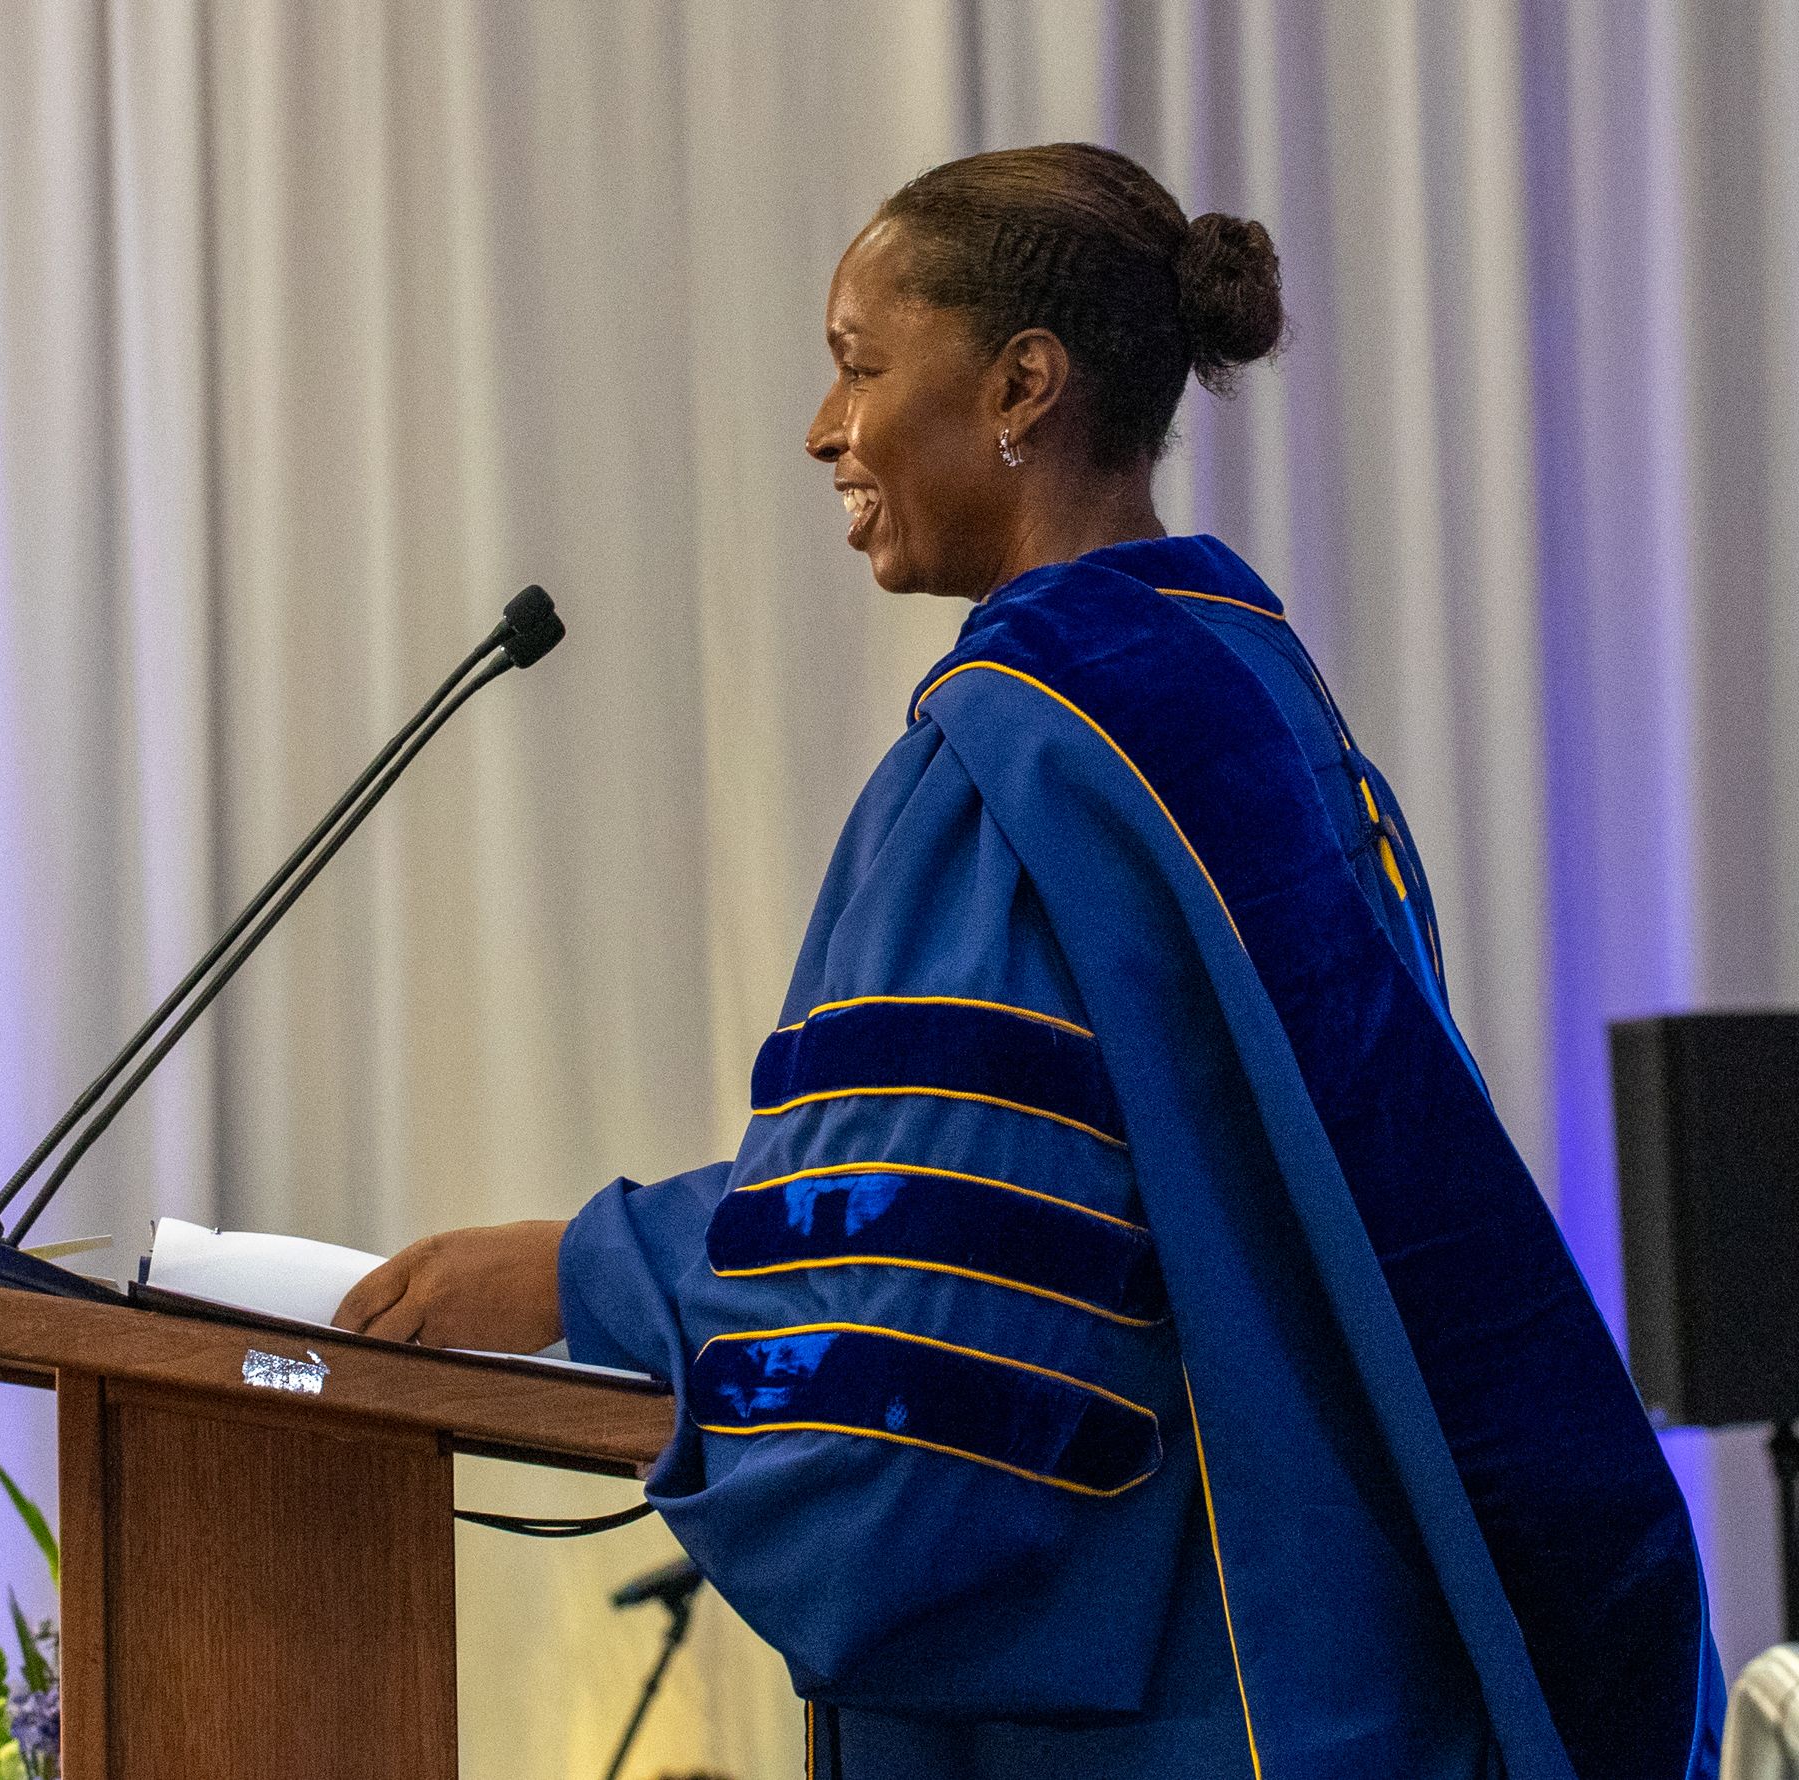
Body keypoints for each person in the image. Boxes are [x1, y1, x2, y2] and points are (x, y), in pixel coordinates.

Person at [334, 143, 1723, 1780]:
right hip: (1356, 1652)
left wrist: (591, 1274)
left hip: (1182, 1710)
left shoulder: (1008, 764)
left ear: (1022, 385)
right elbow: (1014, 1204)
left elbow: (926, 1326)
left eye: (859, 365)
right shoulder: (1260, 706)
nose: (824, 428)